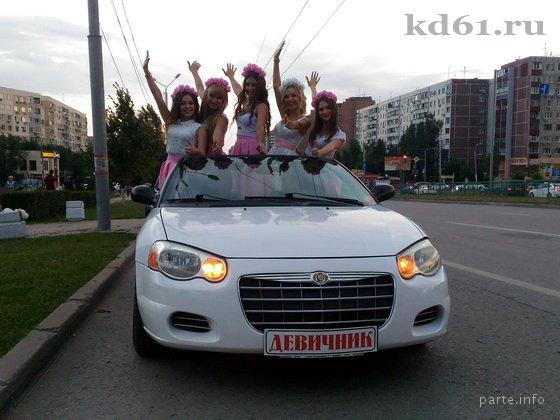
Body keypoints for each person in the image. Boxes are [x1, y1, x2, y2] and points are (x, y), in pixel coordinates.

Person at [143, 51, 207, 187]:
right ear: (178, 105)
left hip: (189, 169)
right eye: (183, 103)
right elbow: (158, 97)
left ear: (195, 105)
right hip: (169, 168)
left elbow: (202, 152)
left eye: (190, 103)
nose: (187, 106)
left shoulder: (199, 128)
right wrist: (147, 74)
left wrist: (196, 152)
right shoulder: (170, 121)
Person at [268, 41, 311, 156]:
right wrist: (276, 60)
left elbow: (298, 124)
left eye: (293, 95)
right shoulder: (284, 115)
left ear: (300, 98)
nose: (290, 99)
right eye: (286, 96)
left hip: (289, 160)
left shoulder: (305, 120)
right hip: (273, 155)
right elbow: (276, 87)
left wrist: (293, 124)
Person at [224, 62, 270, 155]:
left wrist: (260, 143)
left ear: (260, 86)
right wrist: (231, 77)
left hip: (253, 146)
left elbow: (260, 126)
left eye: (254, 85)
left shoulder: (261, 107)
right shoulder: (245, 102)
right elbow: (238, 89)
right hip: (239, 144)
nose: (250, 88)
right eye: (247, 84)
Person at [188, 61, 230, 155]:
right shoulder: (203, 110)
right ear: (206, 95)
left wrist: (216, 145)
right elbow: (199, 87)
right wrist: (194, 71)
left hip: (211, 159)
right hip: (195, 156)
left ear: (223, 101)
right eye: (211, 96)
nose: (214, 100)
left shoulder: (221, 119)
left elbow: (217, 133)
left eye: (219, 98)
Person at [306, 91, 347, 159]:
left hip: (323, 165)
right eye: (321, 109)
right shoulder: (315, 132)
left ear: (333, 109)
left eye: (328, 108)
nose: (324, 112)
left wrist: (318, 152)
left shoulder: (339, 135)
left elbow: (331, 147)